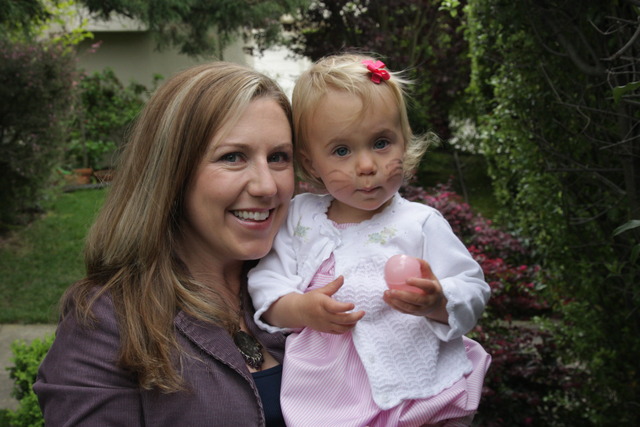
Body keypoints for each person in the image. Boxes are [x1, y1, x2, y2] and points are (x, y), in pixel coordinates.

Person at [33, 61, 296, 426]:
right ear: (172, 173)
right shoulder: (111, 320)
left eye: (278, 157)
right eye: (233, 157)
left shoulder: (304, 284)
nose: (267, 186)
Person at [247, 53, 492, 427]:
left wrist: (439, 300)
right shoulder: (299, 217)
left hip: (418, 387)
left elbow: (472, 287)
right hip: (331, 396)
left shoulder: (420, 223)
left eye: (381, 143)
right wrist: (300, 309)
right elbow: (267, 283)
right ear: (311, 163)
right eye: (342, 150)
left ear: (404, 143)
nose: (366, 166)